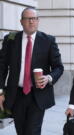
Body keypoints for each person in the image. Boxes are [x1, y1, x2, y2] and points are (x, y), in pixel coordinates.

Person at [0, 7, 64, 135]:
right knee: (21, 130)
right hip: (16, 95)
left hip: (38, 95)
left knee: (32, 131)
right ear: (21, 21)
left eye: (34, 19)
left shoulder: (48, 40)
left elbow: (58, 67)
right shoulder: (11, 40)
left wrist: (49, 78)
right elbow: (2, 66)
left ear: (38, 21)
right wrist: (0, 91)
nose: (31, 22)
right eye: (28, 19)